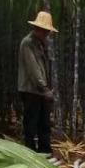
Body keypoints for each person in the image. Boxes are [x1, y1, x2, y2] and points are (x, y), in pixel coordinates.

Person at [18, 11, 57, 155]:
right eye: (45, 31)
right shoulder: (27, 43)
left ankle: (45, 151)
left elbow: (44, 67)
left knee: (44, 123)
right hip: (31, 90)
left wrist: (47, 88)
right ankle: (29, 153)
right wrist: (44, 88)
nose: (47, 34)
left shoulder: (41, 43)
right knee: (31, 123)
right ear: (38, 29)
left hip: (41, 90)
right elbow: (33, 68)